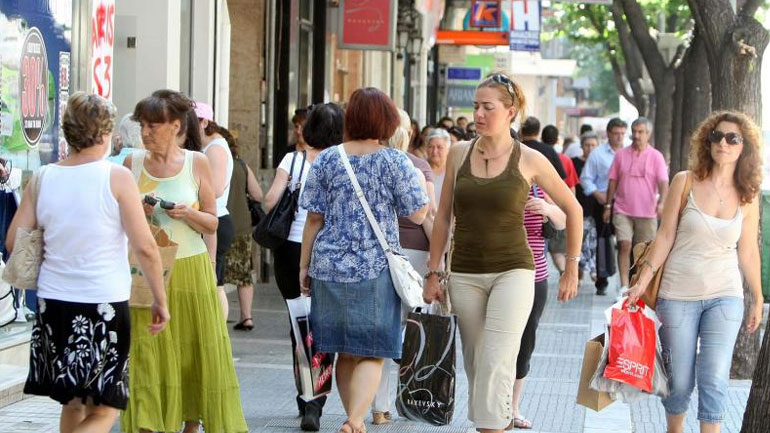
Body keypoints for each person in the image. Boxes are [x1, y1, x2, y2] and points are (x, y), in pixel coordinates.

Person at [422, 73, 582, 433]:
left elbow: (573, 210)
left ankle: (491, 427)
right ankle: (497, 424)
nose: (478, 113)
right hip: (464, 272)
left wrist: (570, 268)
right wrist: (434, 272)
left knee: (496, 360)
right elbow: (444, 216)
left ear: (510, 112)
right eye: (476, 106)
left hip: (514, 271)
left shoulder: (530, 159)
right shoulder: (459, 153)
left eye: (487, 107)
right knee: (477, 363)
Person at [7, 92, 169, 433]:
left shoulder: (43, 177)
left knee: (73, 401)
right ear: (106, 133)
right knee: (107, 407)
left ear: (68, 132)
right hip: (102, 301)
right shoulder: (116, 178)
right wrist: (160, 299)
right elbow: (146, 247)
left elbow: (12, 241)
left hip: (53, 302)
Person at [299, 88, 429, 433]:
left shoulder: (327, 158)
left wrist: (304, 266)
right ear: (387, 121)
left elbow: (313, 218)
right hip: (375, 268)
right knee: (373, 350)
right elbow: (418, 215)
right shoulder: (396, 161)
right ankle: (355, 420)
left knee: (342, 350)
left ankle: (353, 419)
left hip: (328, 267)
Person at [626, 111, 763, 433]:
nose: (724, 144)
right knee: (680, 379)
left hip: (725, 296)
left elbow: (748, 251)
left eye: (733, 138)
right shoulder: (684, 181)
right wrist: (641, 282)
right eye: (717, 136)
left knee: (714, 377)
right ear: (707, 141)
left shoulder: (748, 195)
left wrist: (757, 297)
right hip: (677, 295)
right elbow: (664, 237)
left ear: (744, 147)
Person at [123, 90, 247, 433]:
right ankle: (149, 423)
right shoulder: (131, 164)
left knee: (193, 352)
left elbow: (213, 222)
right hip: (146, 271)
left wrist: (189, 213)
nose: (145, 133)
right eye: (142, 125)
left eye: (153, 125)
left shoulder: (197, 162)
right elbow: (118, 220)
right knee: (147, 351)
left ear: (176, 126)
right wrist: (140, 212)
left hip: (190, 266)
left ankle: (191, 422)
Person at [264, 103, 344, 431]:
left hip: (289, 250)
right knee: (323, 326)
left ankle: (304, 393)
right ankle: (316, 399)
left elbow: (270, 201)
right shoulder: (346, 161)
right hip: (331, 250)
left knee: (299, 326)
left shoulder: (292, 160)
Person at [371, 108, 435, 425]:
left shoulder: (367, 162)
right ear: (406, 133)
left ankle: (380, 405)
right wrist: (438, 265)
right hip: (415, 256)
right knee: (412, 331)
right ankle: (410, 397)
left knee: (386, 329)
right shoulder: (419, 166)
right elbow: (427, 216)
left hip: (380, 255)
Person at [512, 184, 566, 429]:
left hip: (536, 278)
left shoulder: (537, 189)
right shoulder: (496, 184)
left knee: (526, 342)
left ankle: (512, 407)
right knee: (499, 343)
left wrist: (547, 208)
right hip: (503, 274)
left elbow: (564, 220)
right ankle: (493, 405)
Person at [603, 117, 669, 299]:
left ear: (649, 134)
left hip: (647, 213)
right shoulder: (621, 155)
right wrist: (608, 205)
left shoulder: (656, 156)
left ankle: (639, 286)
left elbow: (664, 182)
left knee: (643, 252)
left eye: (641, 132)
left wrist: (662, 202)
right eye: (635, 131)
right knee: (624, 245)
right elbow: (613, 181)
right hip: (622, 210)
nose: (637, 135)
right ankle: (624, 286)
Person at [195, 102, 235, 319]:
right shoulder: (208, 147)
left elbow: (217, 188)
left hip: (216, 220)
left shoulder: (216, 148)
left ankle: (220, 332)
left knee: (215, 283)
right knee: (212, 282)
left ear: (204, 122)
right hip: (211, 219)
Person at [579, 118, 627, 295]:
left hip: (626, 202)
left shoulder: (630, 152)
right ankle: (602, 279)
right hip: (603, 201)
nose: (619, 137)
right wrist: (598, 194)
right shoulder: (598, 154)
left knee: (624, 242)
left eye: (622, 133)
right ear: (608, 134)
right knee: (603, 241)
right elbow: (585, 179)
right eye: (616, 133)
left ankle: (627, 279)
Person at [225, 138, 264, 331]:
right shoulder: (241, 165)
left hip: (219, 226)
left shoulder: (208, 161)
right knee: (244, 275)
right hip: (242, 226)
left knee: (218, 277)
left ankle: (219, 314)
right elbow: (258, 195)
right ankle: (246, 317)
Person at [573, 132, 600, 281]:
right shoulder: (574, 162)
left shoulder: (600, 164)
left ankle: (588, 268)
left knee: (592, 242)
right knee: (580, 241)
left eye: (593, 145)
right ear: (582, 146)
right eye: (587, 145)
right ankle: (587, 268)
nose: (590, 148)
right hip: (578, 209)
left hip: (596, 209)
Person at [425, 128, 451, 204]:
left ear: (448, 149)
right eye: (431, 147)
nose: (434, 151)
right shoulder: (420, 169)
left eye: (439, 147)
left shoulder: (453, 170)